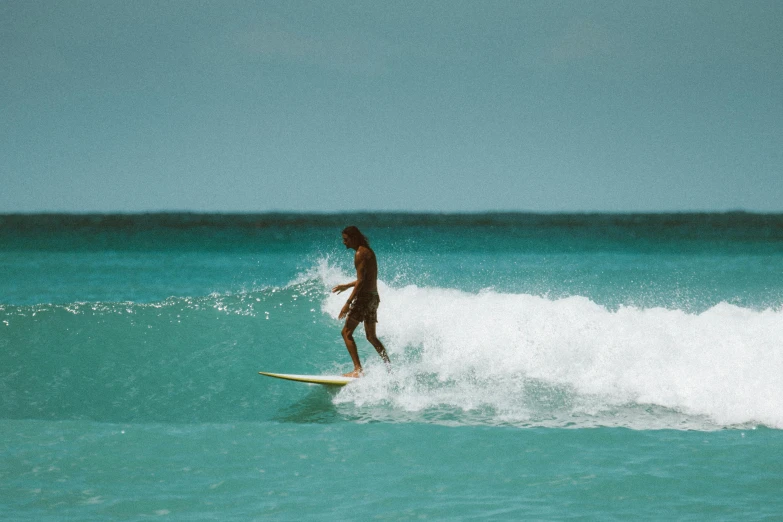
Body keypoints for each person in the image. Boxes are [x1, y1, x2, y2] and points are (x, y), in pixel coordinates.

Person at [331, 226, 390, 377]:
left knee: (346, 332)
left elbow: (362, 281)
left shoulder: (359, 254)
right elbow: (365, 279)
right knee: (371, 337)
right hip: (373, 297)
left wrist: (347, 303)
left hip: (363, 299)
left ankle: (358, 369)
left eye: (346, 239)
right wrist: (347, 285)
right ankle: (389, 367)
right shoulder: (368, 251)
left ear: (354, 238)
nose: (344, 243)